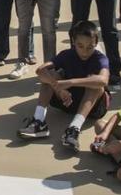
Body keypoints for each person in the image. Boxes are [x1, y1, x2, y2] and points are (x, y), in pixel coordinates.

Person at [17, 21, 111, 152]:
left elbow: (104, 80)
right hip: (67, 100)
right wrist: (59, 89)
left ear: (96, 43)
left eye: (90, 47)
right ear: (73, 41)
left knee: (95, 84)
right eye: (80, 46)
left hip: (93, 107)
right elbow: (40, 71)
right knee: (50, 76)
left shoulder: (100, 58)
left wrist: (69, 82)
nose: (85, 51)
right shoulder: (67, 54)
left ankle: (73, 129)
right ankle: (38, 122)